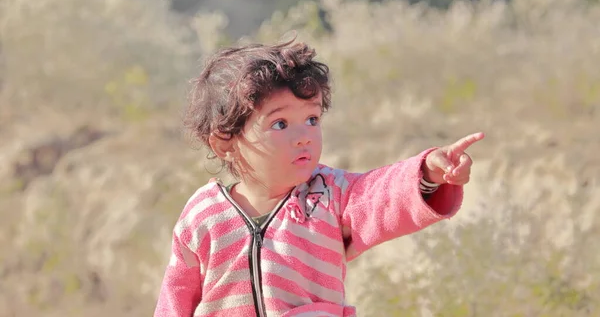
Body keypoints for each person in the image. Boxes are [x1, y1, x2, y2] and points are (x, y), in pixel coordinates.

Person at [153, 36, 484, 317]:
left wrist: (428, 172)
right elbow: (175, 297)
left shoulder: (329, 195)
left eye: (312, 119)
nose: (304, 136)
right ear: (225, 141)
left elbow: (380, 195)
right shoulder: (202, 216)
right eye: (280, 124)